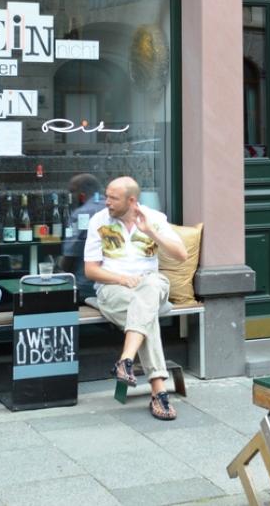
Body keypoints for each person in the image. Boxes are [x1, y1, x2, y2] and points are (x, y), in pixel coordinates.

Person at [84, 176, 188, 421]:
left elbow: (181, 255)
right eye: (107, 196)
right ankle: (158, 391)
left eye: (113, 198)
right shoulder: (99, 221)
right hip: (114, 288)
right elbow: (91, 270)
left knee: (150, 285)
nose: (107, 202)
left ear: (131, 201)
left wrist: (150, 231)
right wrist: (122, 279)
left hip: (151, 284)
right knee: (144, 313)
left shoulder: (154, 218)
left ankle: (126, 359)